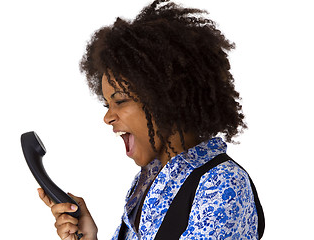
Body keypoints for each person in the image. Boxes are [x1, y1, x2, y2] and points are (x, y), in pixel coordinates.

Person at [38, 0, 264, 239]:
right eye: (107, 104)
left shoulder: (220, 185)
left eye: (121, 101)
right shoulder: (149, 180)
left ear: (166, 98)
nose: (107, 117)